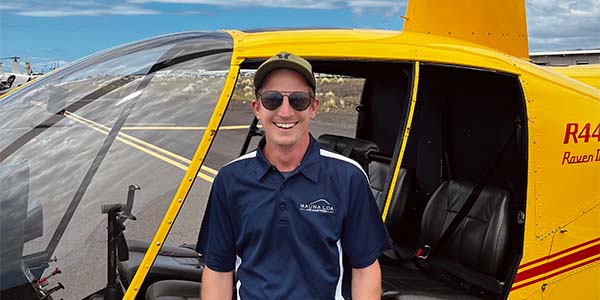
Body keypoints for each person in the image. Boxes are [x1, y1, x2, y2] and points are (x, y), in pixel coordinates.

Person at [199, 52, 390, 299]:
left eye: (298, 100)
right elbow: (218, 269)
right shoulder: (230, 179)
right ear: (257, 108)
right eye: (272, 100)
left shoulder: (348, 177)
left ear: (313, 108)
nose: (286, 112)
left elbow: (365, 270)